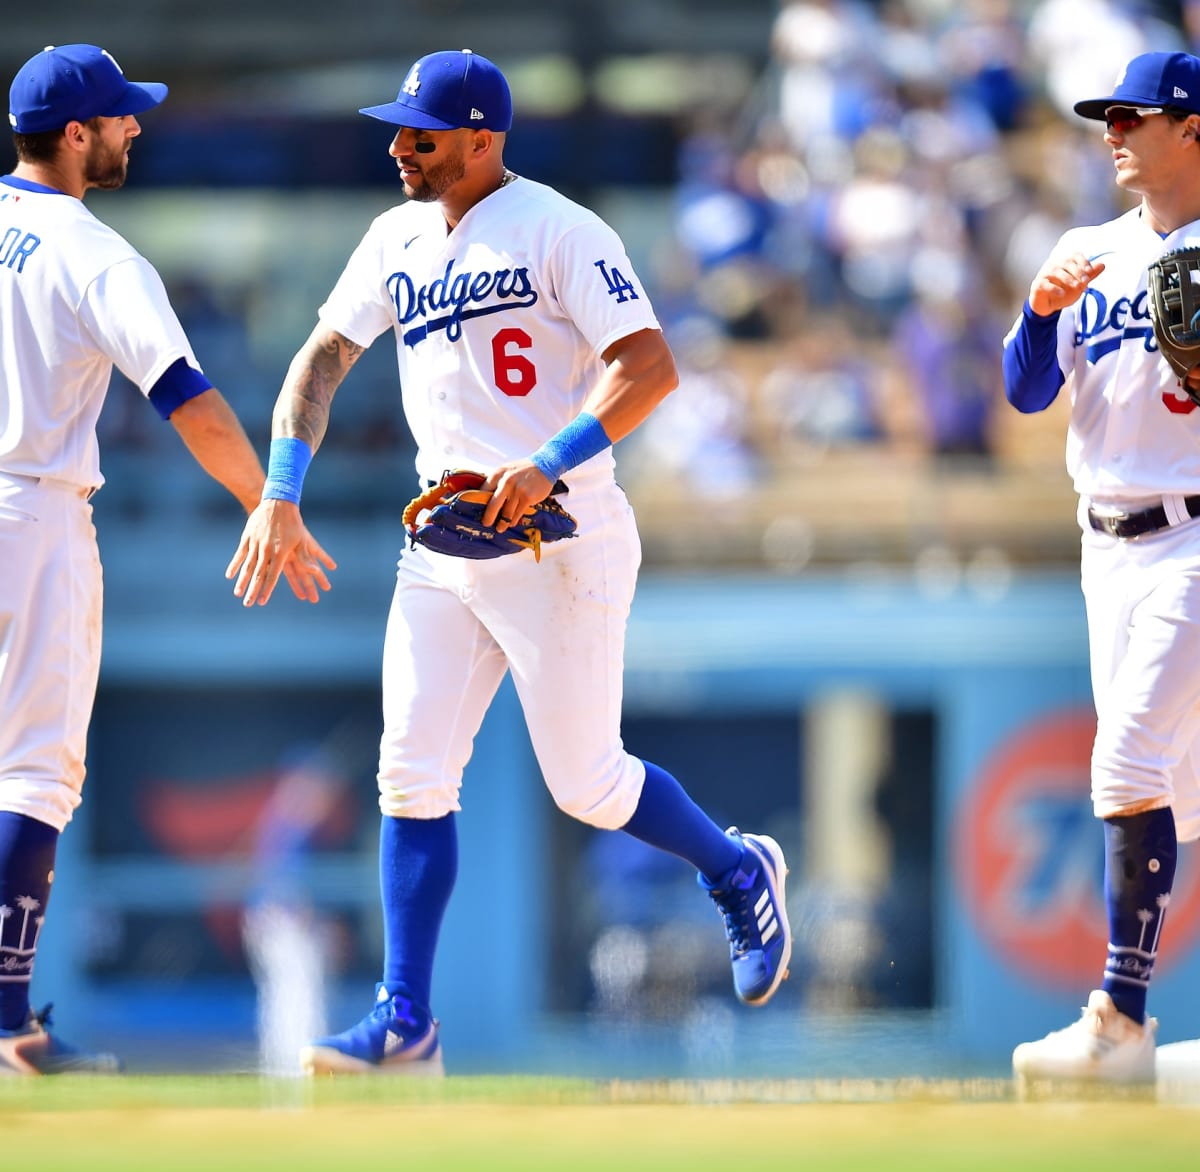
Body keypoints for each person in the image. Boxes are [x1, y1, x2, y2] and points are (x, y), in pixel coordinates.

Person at [226, 48, 793, 1074]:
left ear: (484, 137)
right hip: (443, 538)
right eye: (397, 129)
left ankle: (735, 868)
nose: (399, 147)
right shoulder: (395, 233)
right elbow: (322, 359)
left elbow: (649, 365)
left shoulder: (561, 228)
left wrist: (548, 459)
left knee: (587, 782)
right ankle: (407, 1020)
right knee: (410, 771)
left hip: (558, 533)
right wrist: (279, 487)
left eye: (421, 134)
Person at [0, 44, 333, 1075]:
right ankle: (8, 1027)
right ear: (73, 134)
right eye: (119, 116)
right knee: (32, 768)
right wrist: (268, 498)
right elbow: (185, 394)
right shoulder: (89, 251)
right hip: (31, 511)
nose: (134, 127)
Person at [1002, 50, 1200, 1084]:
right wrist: (1038, 314)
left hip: (1196, 538)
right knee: (1182, 792)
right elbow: (1027, 393)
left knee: (1126, 764)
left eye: (1136, 115)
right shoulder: (1085, 250)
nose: (1114, 130)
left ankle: (1120, 1022)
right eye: (1107, 116)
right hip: (1106, 546)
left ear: (1194, 128)